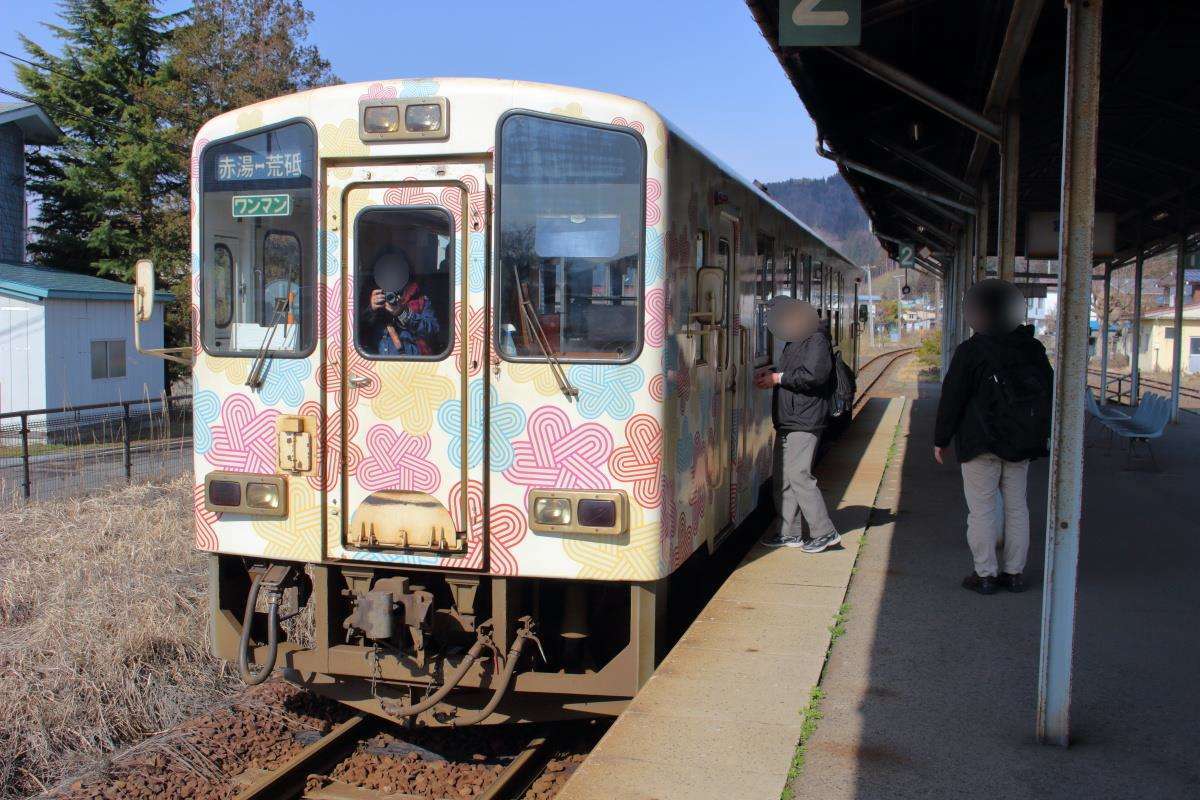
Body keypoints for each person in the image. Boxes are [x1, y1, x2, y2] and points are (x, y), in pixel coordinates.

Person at [934, 279, 1053, 595]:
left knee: (982, 511)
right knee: (1017, 508)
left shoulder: (971, 351)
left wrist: (941, 438)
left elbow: (953, 398)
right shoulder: (1033, 349)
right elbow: (1049, 395)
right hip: (1020, 443)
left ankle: (985, 575)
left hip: (979, 443)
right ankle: (1014, 574)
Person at [754, 297, 841, 554]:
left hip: (805, 417)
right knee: (783, 476)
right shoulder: (796, 340)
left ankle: (824, 532)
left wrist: (778, 378)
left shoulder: (816, 339)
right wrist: (773, 372)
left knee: (799, 475)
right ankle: (789, 532)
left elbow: (815, 376)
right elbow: (795, 372)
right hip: (790, 417)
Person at [359, 252, 442, 356]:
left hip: (413, 365)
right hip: (374, 366)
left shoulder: (419, 299)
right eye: (386, 272)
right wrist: (370, 309)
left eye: (396, 272)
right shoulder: (367, 297)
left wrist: (404, 314)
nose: (391, 276)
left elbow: (433, 332)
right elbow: (352, 333)